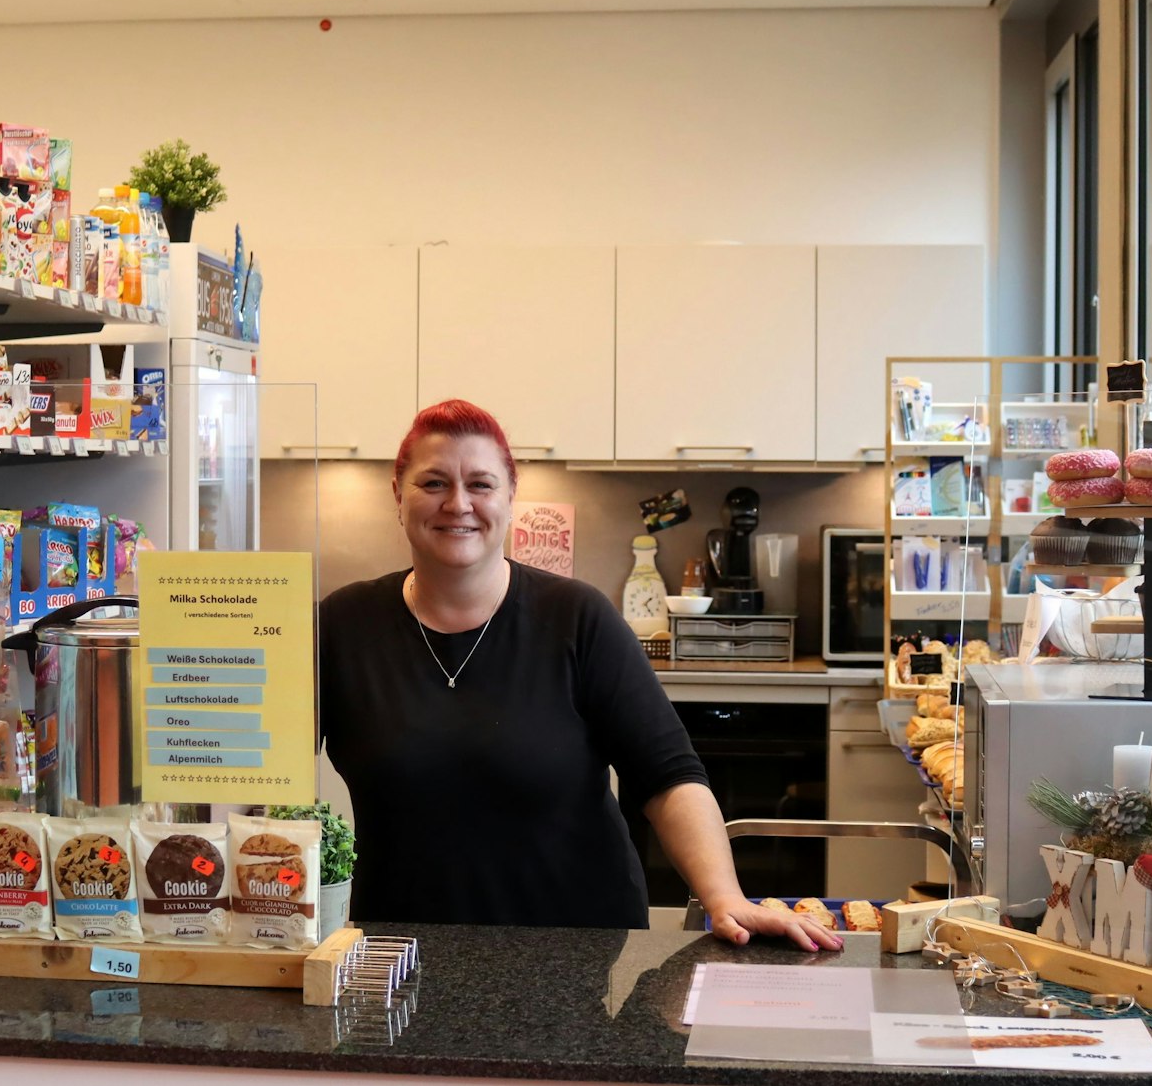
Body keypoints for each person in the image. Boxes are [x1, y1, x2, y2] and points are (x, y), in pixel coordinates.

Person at [318, 400, 841, 951]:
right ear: (397, 495)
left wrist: (725, 898)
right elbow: (268, 763)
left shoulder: (576, 618)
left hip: (569, 947)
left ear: (510, 498)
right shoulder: (343, 624)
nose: (458, 504)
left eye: (481, 484)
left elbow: (667, 775)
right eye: (433, 483)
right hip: (396, 947)